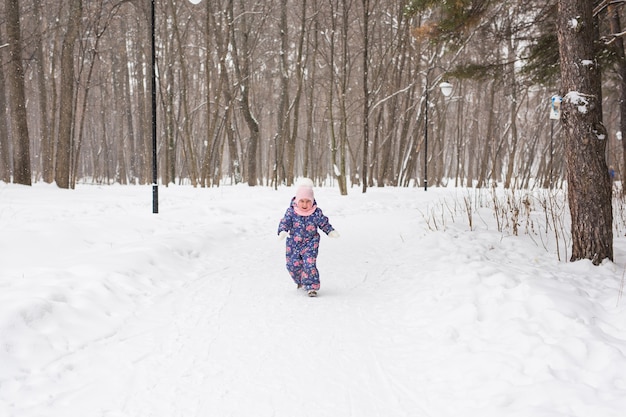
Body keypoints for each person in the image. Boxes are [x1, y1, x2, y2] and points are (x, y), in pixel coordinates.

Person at [277, 179, 339, 297]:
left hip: (311, 242)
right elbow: (285, 222)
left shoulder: (315, 213)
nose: (305, 205)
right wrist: (283, 231)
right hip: (293, 243)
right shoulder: (291, 212)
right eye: (302, 201)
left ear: (312, 201)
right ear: (297, 200)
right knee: (292, 265)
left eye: (308, 201)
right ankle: (300, 280)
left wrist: (330, 231)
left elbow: (323, 223)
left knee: (309, 263)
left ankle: (311, 286)